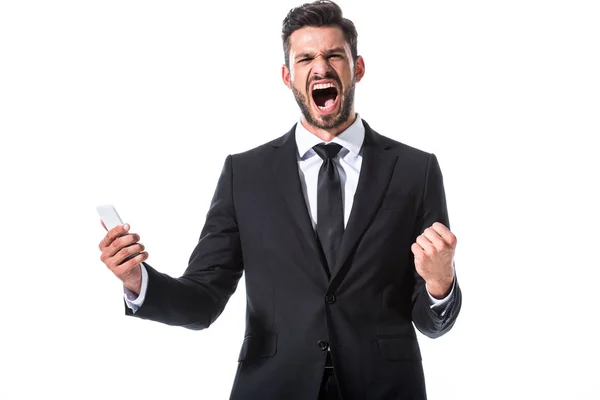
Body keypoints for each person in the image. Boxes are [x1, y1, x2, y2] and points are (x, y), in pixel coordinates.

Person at [98, 1, 462, 399]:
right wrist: (138, 281)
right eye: (305, 58)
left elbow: (431, 322)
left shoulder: (415, 170)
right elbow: (203, 300)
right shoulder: (245, 174)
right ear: (288, 76)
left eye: (333, 55)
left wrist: (440, 283)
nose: (320, 67)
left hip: (386, 389)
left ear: (357, 68)